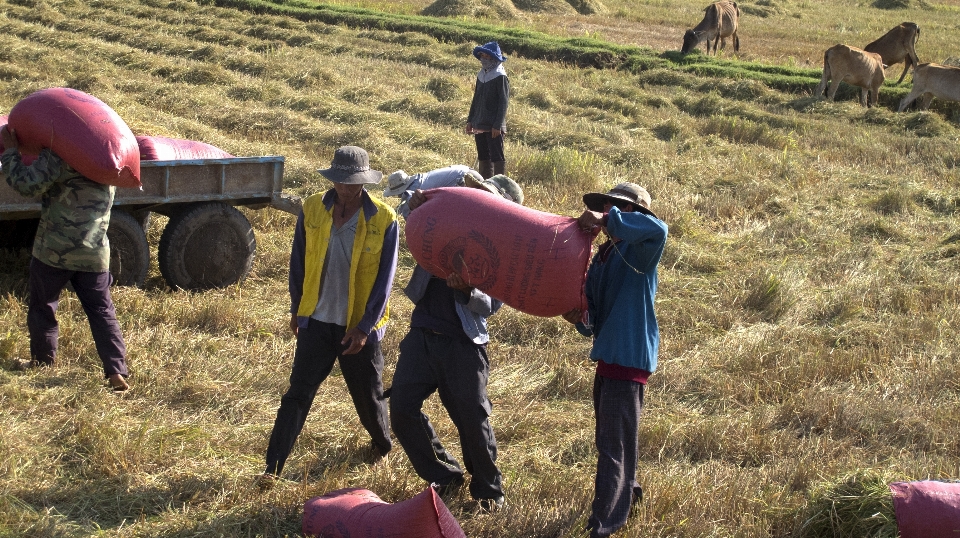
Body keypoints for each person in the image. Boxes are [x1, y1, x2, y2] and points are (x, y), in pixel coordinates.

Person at [261, 146, 399, 488]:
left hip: (357, 329)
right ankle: (272, 468)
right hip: (317, 321)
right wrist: (297, 309)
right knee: (297, 395)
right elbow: (299, 263)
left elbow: (385, 281)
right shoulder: (312, 209)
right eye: (339, 181)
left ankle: (383, 447)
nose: (344, 189)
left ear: (363, 182)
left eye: (351, 183)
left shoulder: (384, 219)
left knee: (369, 397)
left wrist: (365, 328)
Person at [389, 174, 523, 512]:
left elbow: (490, 306)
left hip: (463, 343)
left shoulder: (502, 249)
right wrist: (415, 206)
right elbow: (414, 219)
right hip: (422, 334)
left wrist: (466, 289)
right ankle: (445, 475)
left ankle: (489, 492)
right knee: (402, 407)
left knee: (471, 419)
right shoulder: (449, 219)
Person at [562, 182, 668, 538]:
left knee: (612, 447)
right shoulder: (603, 257)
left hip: (628, 358)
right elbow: (591, 314)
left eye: (619, 208)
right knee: (614, 441)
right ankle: (630, 496)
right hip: (609, 358)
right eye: (606, 205)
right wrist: (579, 316)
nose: (609, 211)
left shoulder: (643, 249)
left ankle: (603, 526)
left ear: (633, 214)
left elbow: (660, 228)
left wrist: (607, 219)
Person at [0, 126, 130, 391]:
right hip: (94, 253)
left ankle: (43, 362)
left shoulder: (59, 156)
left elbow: (25, 184)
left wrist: (11, 151)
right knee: (102, 311)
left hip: (53, 251)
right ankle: (116, 370)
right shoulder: (107, 162)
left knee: (43, 307)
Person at [466, 41, 510, 180]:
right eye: (482, 56)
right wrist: (471, 120)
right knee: (483, 156)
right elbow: (476, 99)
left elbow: (503, 102)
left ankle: (499, 185)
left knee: (497, 156)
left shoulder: (500, 76)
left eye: (486, 56)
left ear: (493, 58)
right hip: (480, 122)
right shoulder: (481, 75)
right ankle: (485, 184)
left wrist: (497, 125)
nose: (483, 59)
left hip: (493, 125)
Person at [382, 165, 483, 219]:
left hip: (465, 181)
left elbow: (402, 212)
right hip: (470, 172)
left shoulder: (412, 190)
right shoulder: (419, 179)